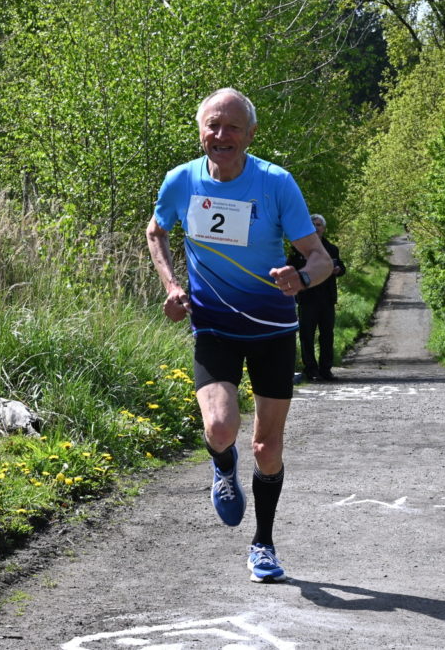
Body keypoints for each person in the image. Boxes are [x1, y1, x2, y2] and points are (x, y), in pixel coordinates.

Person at [145, 88, 333, 583]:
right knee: (220, 429)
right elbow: (156, 230)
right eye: (213, 125)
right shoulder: (180, 181)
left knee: (267, 449)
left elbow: (321, 258)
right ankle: (222, 468)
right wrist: (171, 285)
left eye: (232, 127)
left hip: (273, 330)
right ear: (200, 131)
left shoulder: (276, 183)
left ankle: (263, 545)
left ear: (250, 134)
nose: (220, 136)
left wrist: (302, 277)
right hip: (214, 324)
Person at [288, 214, 346, 383]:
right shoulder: (298, 249)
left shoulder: (331, 248)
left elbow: (342, 267)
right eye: (312, 224)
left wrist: (338, 270)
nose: (316, 227)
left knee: (327, 335)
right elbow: (289, 267)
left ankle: (326, 369)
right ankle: (311, 370)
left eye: (319, 224)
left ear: (324, 228)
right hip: (307, 298)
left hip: (327, 299)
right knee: (307, 336)